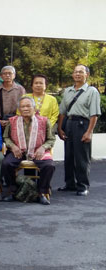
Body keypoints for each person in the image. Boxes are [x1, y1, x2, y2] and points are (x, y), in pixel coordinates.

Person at [57, 64, 101, 196]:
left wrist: (89, 132)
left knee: (82, 157)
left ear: (86, 75)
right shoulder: (67, 91)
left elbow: (94, 114)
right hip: (69, 124)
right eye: (75, 72)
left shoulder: (92, 91)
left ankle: (83, 185)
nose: (77, 74)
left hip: (82, 125)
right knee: (69, 156)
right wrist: (60, 128)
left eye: (81, 72)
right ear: (72, 75)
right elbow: (62, 112)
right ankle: (69, 184)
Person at [2, 96, 55, 205]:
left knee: (49, 166)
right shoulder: (12, 121)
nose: (25, 109)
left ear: (34, 108)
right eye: (22, 107)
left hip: (38, 151)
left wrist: (43, 147)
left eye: (28, 106)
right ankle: (13, 190)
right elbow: (6, 137)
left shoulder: (44, 121)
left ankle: (41, 193)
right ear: (19, 109)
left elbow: (51, 139)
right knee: (6, 164)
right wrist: (13, 146)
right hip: (18, 151)